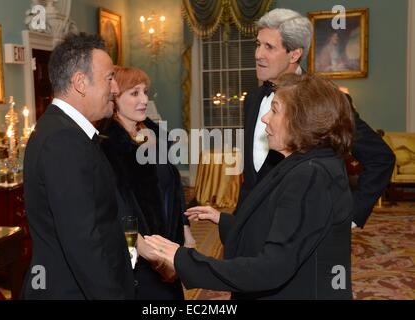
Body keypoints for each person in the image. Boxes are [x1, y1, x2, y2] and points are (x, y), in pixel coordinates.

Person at [145, 74, 355, 299]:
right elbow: (283, 226)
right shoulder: (303, 163)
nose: (265, 118)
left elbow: (272, 268)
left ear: (302, 119)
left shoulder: (311, 175)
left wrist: (183, 260)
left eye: (274, 110)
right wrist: (224, 221)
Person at [233, 8, 393, 228]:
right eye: (258, 44)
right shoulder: (252, 100)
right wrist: (234, 224)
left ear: (294, 54)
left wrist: (352, 217)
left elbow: (381, 158)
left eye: (269, 47)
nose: (258, 54)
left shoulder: (326, 101)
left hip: (299, 235)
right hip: (248, 228)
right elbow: (254, 175)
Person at [22, 33, 134, 299]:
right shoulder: (63, 140)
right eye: (109, 78)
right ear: (81, 83)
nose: (116, 88)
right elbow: (84, 242)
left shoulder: (64, 130)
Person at [99, 66, 195, 300]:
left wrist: (185, 230)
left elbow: (173, 186)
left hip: (170, 243)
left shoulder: (153, 136)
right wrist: (154, 258)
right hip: (141, 257)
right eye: (134, 93)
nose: (144, 100)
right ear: (115, 99)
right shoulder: (109, 146)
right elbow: (116, 207)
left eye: (145, 92)